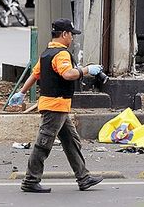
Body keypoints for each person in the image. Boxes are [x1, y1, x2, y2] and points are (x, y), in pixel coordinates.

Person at [8, 18, 104, 193]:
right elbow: (68, 74)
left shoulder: (46, 53)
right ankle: (30, 180)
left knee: (71, 141)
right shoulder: (61, 54)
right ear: (64, 34)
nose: (72, 39)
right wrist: (87, 70)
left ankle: (84, 178)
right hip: (55, 106)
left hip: (58, 106)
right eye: (71, 35)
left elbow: (34, 74)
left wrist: (21, 93)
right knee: (43, 144)